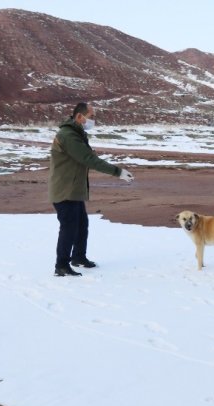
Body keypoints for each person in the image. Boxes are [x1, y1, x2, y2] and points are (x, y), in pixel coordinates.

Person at [48, 102, 134, 277]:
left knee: (81, 225)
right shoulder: (68, 136)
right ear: (80, 117)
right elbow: (89, 159)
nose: (93, 120)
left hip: (74, 189)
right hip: (65, 190)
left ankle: (78, 257)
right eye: (91, 116)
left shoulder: (76, 134)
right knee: (69, 227)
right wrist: (118, 172)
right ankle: (61, 265)